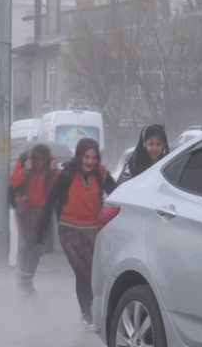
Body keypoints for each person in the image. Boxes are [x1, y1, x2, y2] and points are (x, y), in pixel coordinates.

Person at [39, 138, 117, 329]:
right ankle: (86, 312)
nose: (90, 161)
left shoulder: (101, 174)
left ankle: (94, 305)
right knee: (81, 272)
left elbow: (117, 194)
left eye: (93, 157)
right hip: (69, 230)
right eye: (86, 157)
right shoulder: (67, 174)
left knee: (95, 271)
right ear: (80, 156)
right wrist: (41, 231)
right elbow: (51, 200)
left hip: (94, 230)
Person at [9, 144, 59, 295]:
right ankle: (23, 274)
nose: (39, 165)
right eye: (37, 162)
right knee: (26, 245)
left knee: (37, 247)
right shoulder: (24, 160)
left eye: (42, 162)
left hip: (43, 210)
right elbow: (13, 182)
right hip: (24, 210)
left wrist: (55, 172)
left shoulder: (51, 164)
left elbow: (58, 186)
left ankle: (28, 277)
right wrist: (25, 170)